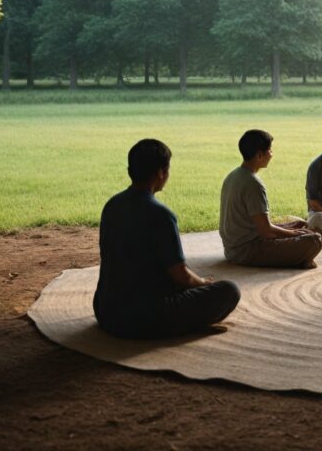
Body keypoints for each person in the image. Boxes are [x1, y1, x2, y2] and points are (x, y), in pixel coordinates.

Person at [94, 139, 240, 339]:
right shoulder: (161, 215)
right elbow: (181, 276)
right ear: (161, 173)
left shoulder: (111, 206)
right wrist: (204, 283)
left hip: (106, 311)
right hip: (145, 318)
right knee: (229, 290)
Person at [220, 129, 322, 267]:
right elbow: (266, 231)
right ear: (259, 155)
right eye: (270, 150)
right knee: (314, 240)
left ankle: (297, 258)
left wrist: (290, 228)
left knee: (298, 226)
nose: (272, 154)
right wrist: (294, 235)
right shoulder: (253, 184)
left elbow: (257, 226)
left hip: (232, 249)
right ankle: (297, 259)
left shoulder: (232, 176)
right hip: (247, 251)